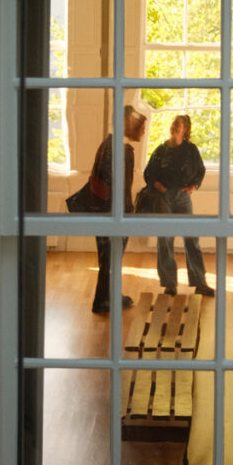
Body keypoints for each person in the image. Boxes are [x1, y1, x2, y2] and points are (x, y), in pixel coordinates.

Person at [143, 114, 214, 297]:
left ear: (185, 129)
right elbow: (148, 173)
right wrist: (156, 184)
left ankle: (200, 282)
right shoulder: (161, 150)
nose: (174, 126)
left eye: (178, 124)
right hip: (164, 197)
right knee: (165, 239)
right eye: (173, 123)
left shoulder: (191, 150)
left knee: (191, 238)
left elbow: (200, 170)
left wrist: (194, 186)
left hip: (183, 197)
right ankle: (170, 284)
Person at [90, 106, 147, 313]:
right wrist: (123, 215)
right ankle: (101, 301)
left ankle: (110, 296)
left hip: (109, 211)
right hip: (110, 213)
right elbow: (115, 185)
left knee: (110, 257)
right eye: (139, 125)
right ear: (127, 124)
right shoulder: (117, 149)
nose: (142, 130)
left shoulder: (113, 145)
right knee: (109, 258)